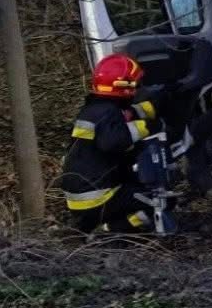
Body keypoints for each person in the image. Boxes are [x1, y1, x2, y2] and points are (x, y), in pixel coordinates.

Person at [57, 53, 168, 233]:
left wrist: (156, 105)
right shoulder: (109, 113)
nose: (138, 88)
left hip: (80, 199)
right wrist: (149, 126)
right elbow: (114, 142)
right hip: (98, 199)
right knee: (162, 200)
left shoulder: (93, 110)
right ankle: (109, 230)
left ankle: (87, 225)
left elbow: (128, 114)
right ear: (122, 87)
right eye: (134, 84)